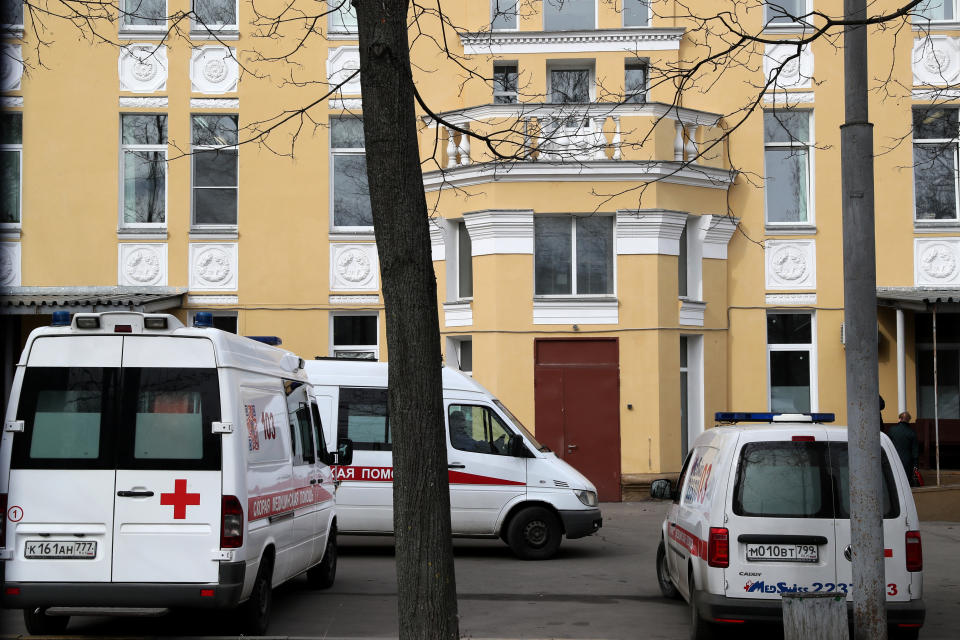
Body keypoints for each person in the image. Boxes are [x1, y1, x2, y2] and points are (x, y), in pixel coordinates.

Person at [888, 411, 920, 487]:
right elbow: (915, 451)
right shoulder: (912, 433)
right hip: (907, 461)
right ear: (908, 420)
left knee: (895, 480)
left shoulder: (892, 430)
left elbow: (888, 444)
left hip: (894, 459)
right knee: (906, 482)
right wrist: (915, 465)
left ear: (899, 419)